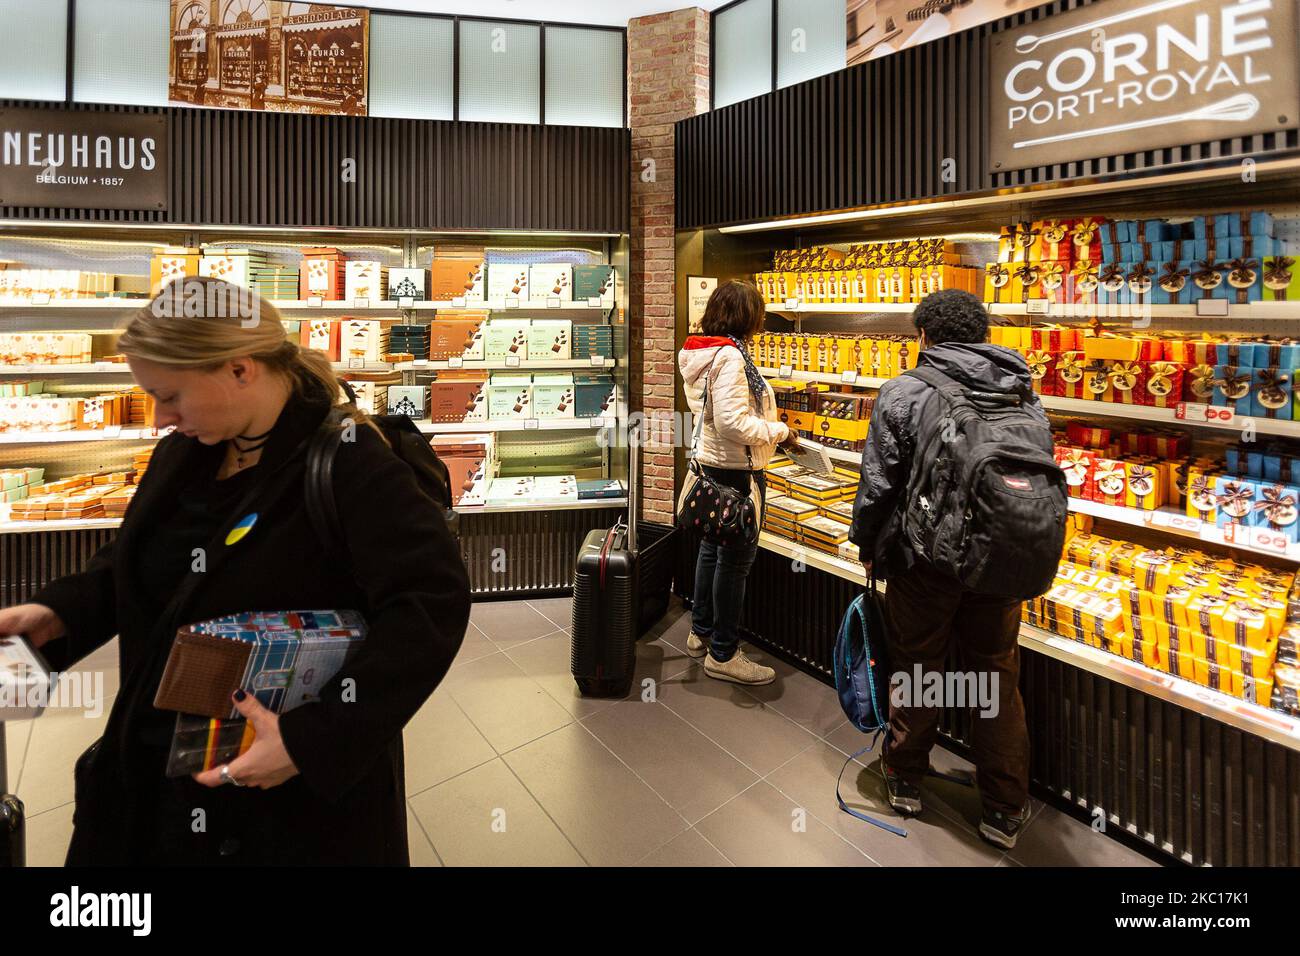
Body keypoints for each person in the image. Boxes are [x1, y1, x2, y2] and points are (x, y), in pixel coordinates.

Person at [0, 277, 470, 865]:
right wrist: (58, 613)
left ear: (241, 371)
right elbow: (136, 564)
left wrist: (313, 741)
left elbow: (431, 604)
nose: (157, 418)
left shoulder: (349, 463)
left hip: (278, 800)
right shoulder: (184, 454)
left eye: (170, 395)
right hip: (155, 775)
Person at [848, 288, 1042, 850]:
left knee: (919, 665)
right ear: (983, 335)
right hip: (1000, 560)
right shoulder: (1020, 389)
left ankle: (906, 779)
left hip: (925, 559)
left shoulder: (905, 391)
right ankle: (1005, 810)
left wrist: (867, 543)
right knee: (995, 676)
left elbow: (879, 482)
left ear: (924, 337)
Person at [677, 279, 800, 685]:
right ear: (747, 316)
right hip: (737, 469)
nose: (762, 320)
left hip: (713, 464)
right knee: (735, 562)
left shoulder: (701, 348)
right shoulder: (730, 356)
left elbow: (711, 413)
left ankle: (701, 631)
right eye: (759, 313)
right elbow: (731, 421)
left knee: (712, 549)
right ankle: (724, 653)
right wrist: (777, 431)